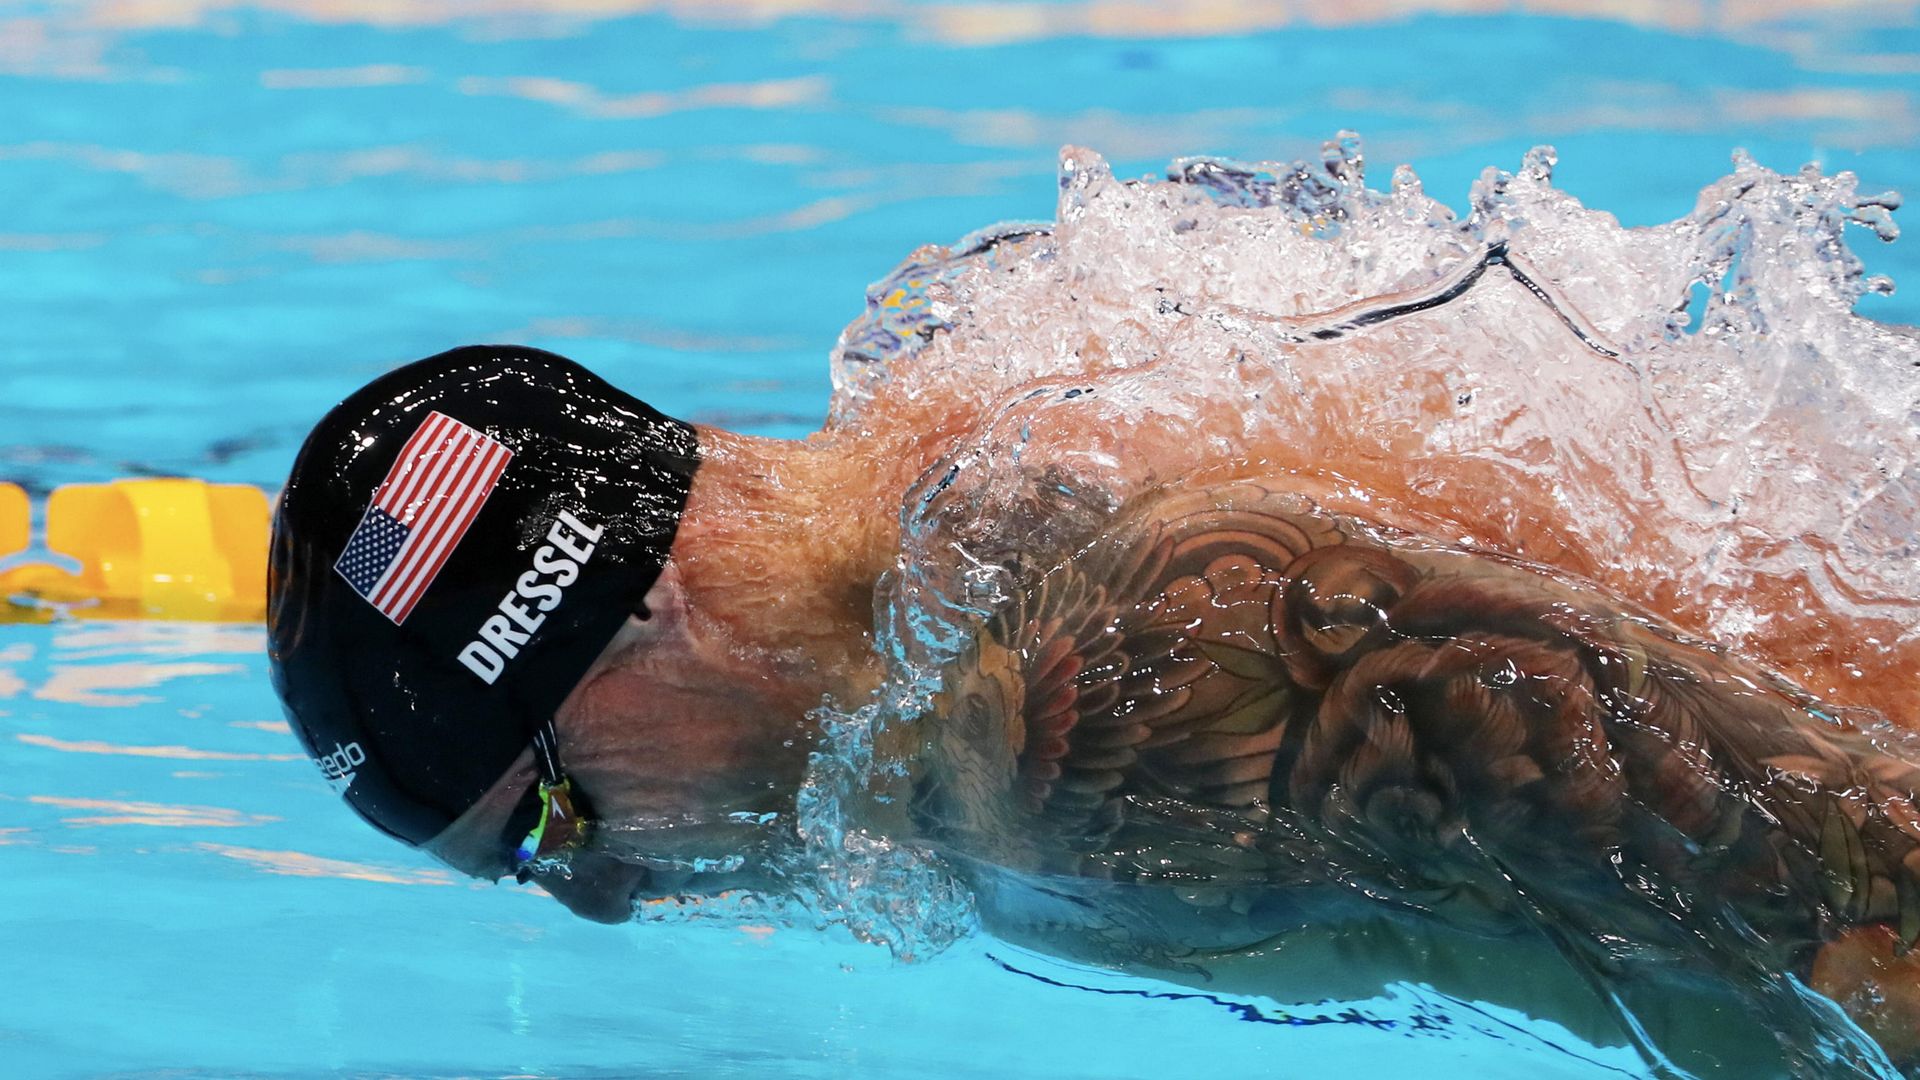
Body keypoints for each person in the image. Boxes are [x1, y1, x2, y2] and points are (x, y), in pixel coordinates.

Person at [269, 342, 1920, 1073]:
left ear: (646, 609)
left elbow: (1862, 882)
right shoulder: (974, 439)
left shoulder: (1071, 717)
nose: (608, 896)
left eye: (550, 826)